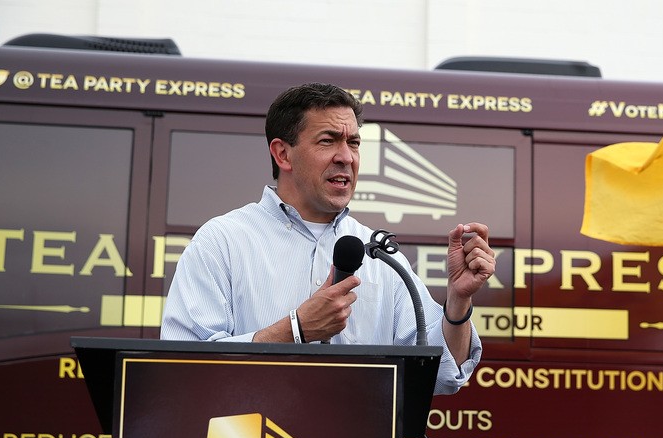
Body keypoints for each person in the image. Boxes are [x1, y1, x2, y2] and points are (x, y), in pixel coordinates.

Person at [160, 82, 495, 395]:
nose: (346, 157)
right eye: (327, 140)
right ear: (283, 154)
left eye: (353, 143)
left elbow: (443, 376)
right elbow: (183, 370)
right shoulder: (222, 241)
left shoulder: (380, 255)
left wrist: (458, 300)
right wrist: (297, 330)